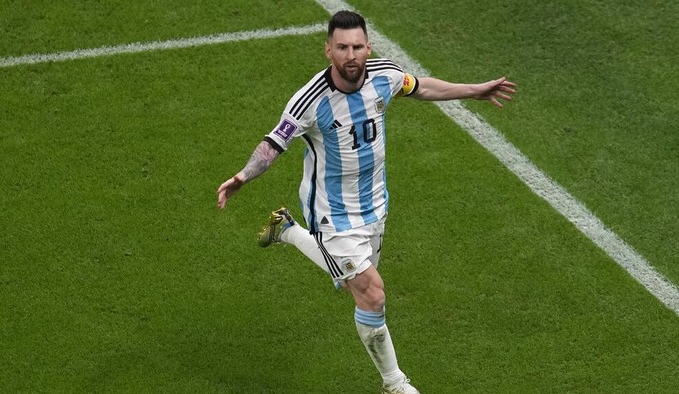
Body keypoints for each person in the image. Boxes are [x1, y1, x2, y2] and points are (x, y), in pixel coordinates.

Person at [217, 10, 515, 394]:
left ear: (368, 47)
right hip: (332, 213)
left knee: (351, 285)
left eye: (357, 46)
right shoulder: (310, 100)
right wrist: (243, 175)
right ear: (328, 50)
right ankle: (394, 383)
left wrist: (474, 90)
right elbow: (275, 143)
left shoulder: (385, 75)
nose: (351, 54)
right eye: (342, 47)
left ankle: (288, 231)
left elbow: (421, 86)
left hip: (375, 206)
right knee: (371, 293)